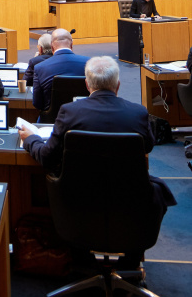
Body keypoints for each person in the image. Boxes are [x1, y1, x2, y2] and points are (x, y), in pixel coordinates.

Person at [19, 56, 176, 217]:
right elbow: (147, 146)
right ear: (118, 85)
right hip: (127, 203)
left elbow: (47, 157)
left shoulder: (69, 112)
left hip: (78, 202)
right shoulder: (138, 113)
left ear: (87, 85)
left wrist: (31, 139)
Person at [32, 29, 88, 112]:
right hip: (82, 118)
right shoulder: (88, 63)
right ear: (72, 45)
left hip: (51, 120)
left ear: (52, 46)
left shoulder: (39, 68)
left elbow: (37, 103)